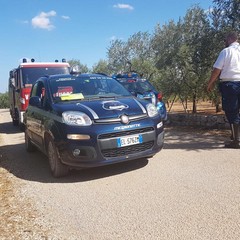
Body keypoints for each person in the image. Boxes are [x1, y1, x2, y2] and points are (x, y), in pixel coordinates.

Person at [207, 31, 240, 149]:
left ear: (230, 39)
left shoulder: (226, 52)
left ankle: (236, 141)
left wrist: (210, 83)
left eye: (225, 40)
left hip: (230, 85)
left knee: (232, 111)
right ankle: (235, 137)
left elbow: (217, 70)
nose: (224, 42)